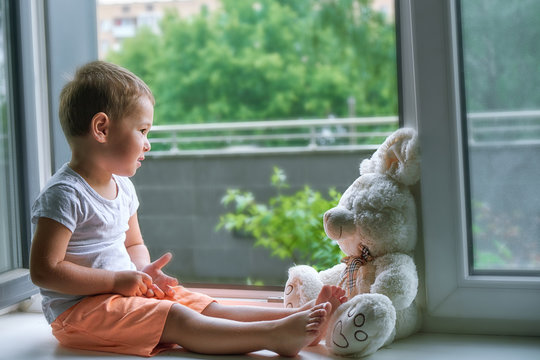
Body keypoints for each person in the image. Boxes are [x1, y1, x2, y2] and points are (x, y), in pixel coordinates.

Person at [29, 61, 347, 357]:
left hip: (121, 294)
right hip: (79, 314)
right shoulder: (64, 194)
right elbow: (45, 270)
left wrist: (142, 272)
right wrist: (115, 281)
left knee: (200, 303)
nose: (147, 143)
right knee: (177, 315)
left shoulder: (122, 186)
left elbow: (133, 244)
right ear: (102, 128)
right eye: (142, 131)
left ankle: (295, 316)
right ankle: (272, 336)